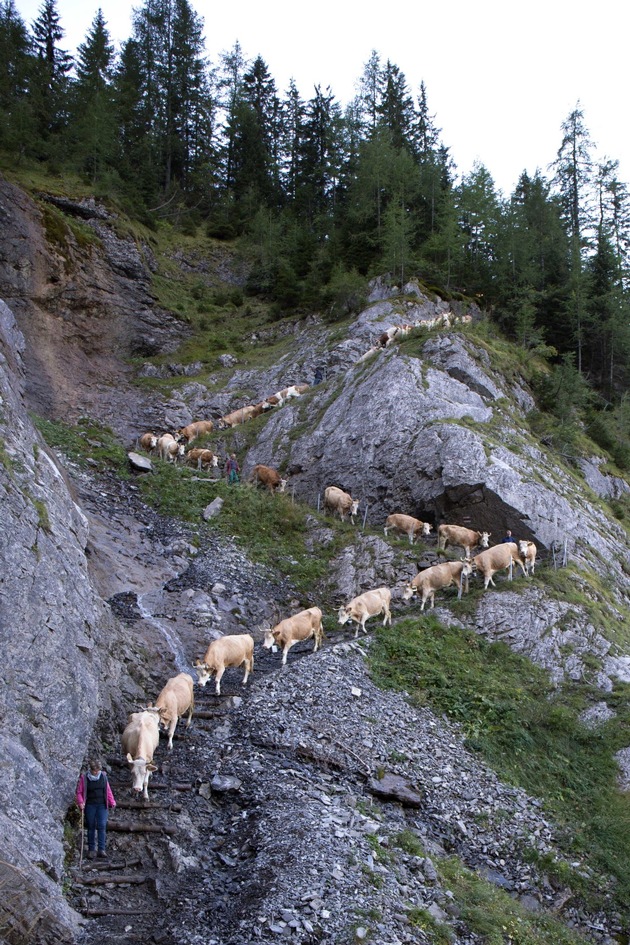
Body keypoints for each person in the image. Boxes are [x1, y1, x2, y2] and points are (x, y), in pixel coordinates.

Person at [76, 759, 116, 860]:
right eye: (94, 770)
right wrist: (81, 802)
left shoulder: (103, 777)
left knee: (102, 825)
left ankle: (101, 849)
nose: (96, 772)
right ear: (91, 770)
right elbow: (79, 792)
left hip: (102, 805)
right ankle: (91, 849)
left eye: (98, 770)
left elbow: (108, 790)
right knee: (91, 826)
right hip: (90, 805)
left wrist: (112, 801)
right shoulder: (84, 778)